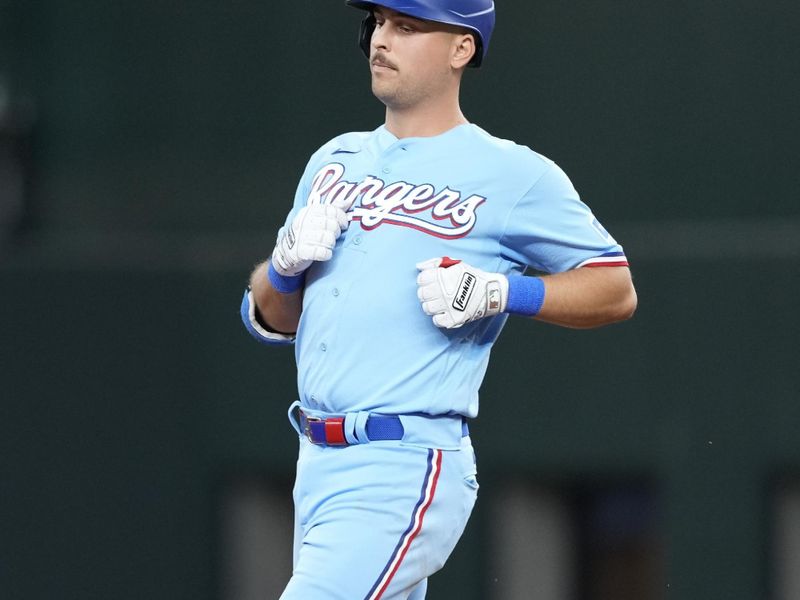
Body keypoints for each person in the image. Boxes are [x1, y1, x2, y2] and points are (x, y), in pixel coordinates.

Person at [240, 1, 637, 598]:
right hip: (315, 462)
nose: (381, 39)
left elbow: (614, 286)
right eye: (378, 22)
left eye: (407, 26)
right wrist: (284, 265)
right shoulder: (333, 160)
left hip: (402, 461)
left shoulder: (512, 173)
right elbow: (270, 320)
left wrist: (503, 290)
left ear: (461, 48)